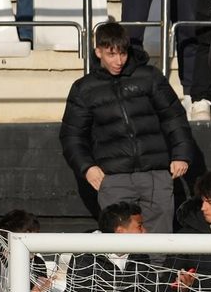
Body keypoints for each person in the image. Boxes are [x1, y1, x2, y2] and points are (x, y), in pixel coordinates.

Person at [60, 20, 198, 233]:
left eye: (122, 54)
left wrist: (181, 155)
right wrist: (87, 167)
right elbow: (71, 136)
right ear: (98, 52)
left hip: (156, 176)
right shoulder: (84, 88)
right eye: (111, 54)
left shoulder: (149, 76)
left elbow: (174, 117)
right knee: (121, 248)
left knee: (160, 246)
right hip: (114, 179)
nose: (118, 61)